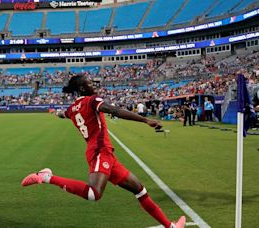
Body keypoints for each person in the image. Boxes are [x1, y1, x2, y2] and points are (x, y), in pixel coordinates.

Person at [21, 75, 186, 228]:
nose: (93, 85)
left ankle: (170, 226)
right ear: (83, 89)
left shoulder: (72, 109)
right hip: (100, 151)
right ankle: (46, 177)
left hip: (104, 153)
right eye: (89, 83)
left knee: (140, 190)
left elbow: (62, 114)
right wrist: (145, 120)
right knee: (94, 193)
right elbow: (114, 111)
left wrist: (57, 113)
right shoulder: (92, 101)